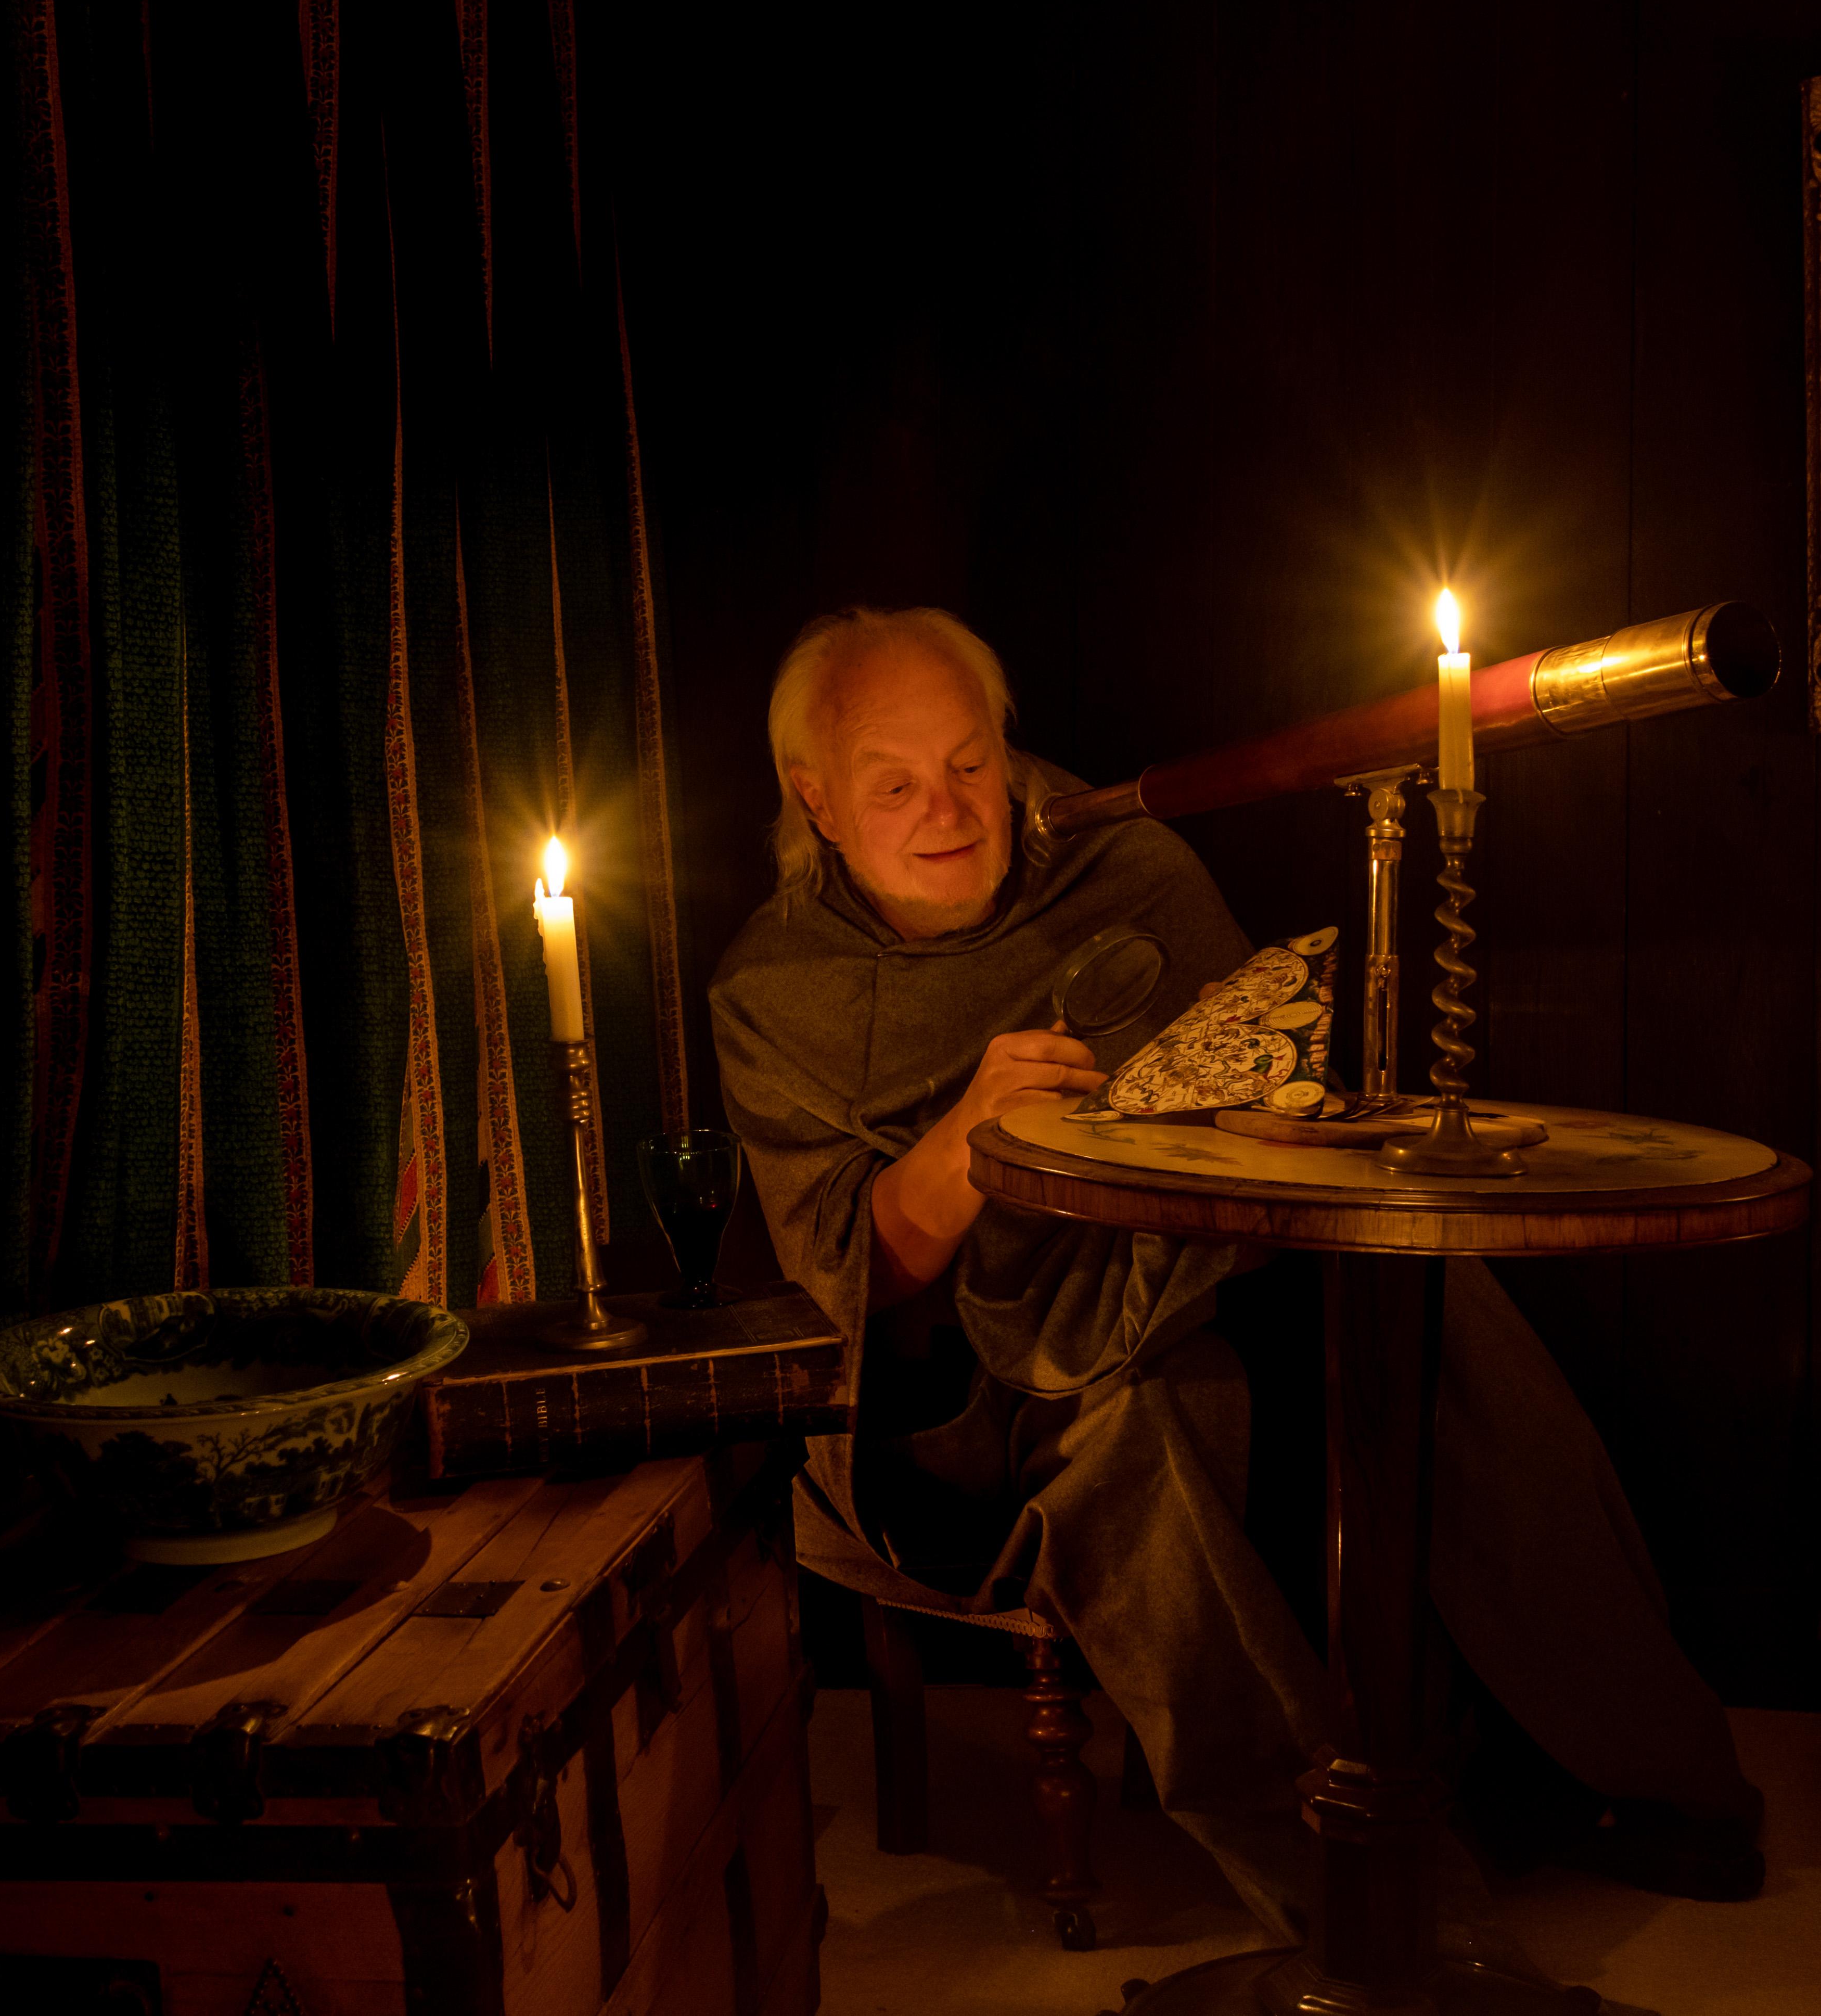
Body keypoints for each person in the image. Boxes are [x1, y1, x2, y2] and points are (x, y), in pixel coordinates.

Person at [706, 605, 1763, 1957]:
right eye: (893, 781)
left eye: (969, 761)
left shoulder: (1118, 863)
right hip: (969, 1390)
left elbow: (1252, 1084)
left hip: (1187, 1252)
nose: (948, 808)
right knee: (1150, 1422)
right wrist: (975, 1137)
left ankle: (1631, 1767)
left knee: (1418, 1308)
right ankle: (1364, 1894)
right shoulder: (776, 981)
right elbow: (854, 1289)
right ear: (817, 798)